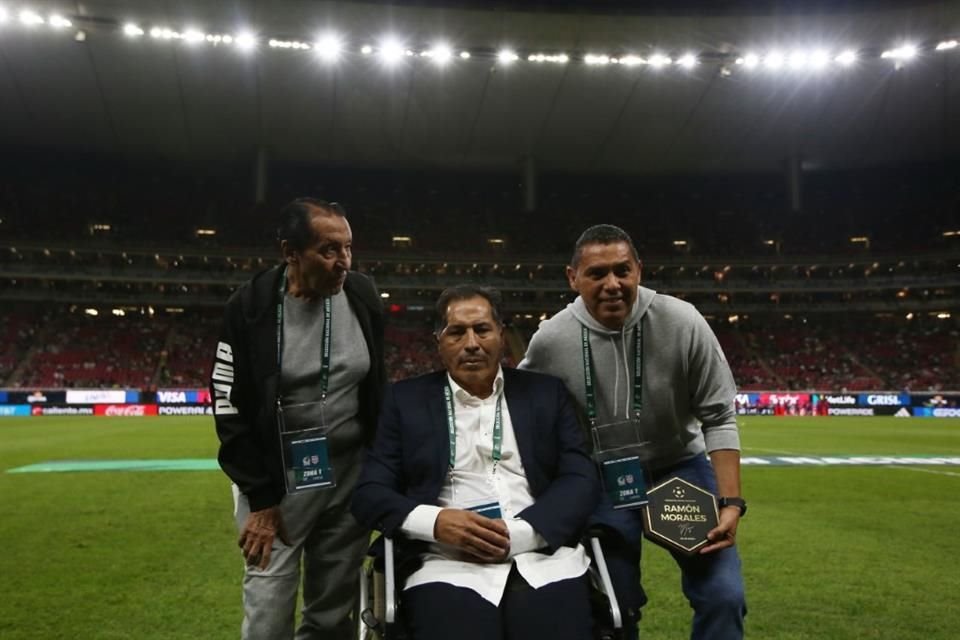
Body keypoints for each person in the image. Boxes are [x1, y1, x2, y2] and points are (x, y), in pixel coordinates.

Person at [519, 224, 747, 639]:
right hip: (602, 480)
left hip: (678, 468)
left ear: (639, 270)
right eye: (596, 273)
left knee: (724, 595)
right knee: (612, 605)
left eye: (622, 270)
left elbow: (718, 416)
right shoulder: (551, 340)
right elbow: (527, 419)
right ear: (573, 278)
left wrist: (731, 503)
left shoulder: (682, 322)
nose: (612, 284)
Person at [352, 285, 599, 640]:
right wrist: (437, 522)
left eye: (482, 329)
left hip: (544, 558)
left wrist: (523, 533)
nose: (471, 343)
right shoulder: (404, 401)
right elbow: (370, 492)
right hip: (445, 564)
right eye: (456, 332)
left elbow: (580, 478)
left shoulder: (546, 393)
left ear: (501, 333)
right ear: (439, 341)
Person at [211, 197, 386, 640]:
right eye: (329, 250)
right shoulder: (250, 307)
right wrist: (262, 501)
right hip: (277, 482)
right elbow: (229, 409)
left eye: (348, 248)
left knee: (332, 611)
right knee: (268, 611)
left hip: (348, 477)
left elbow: (376, 389)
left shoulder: (362, 295)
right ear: (291, 252)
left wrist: (381, 470)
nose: (343, 262)